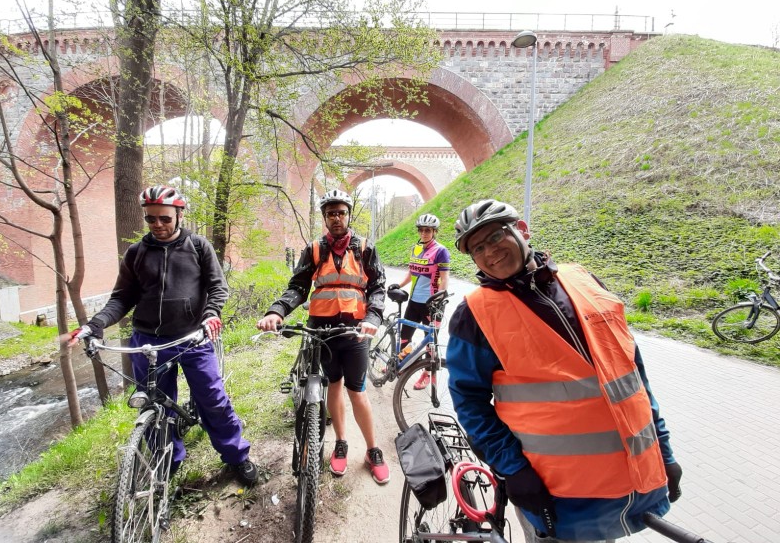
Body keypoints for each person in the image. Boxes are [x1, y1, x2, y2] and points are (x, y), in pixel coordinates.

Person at [447, 199, 682, 543]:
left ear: (522, 230)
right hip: (557, 493)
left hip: (629, 479)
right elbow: (469, 402)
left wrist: (664, 449)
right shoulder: (475, 314)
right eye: (477, 248)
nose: (489, 252)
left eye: (496, 237)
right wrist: (513, 471)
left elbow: (632, 373)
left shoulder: (584, 281)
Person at [69, 185, 257, 487]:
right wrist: (96, 324)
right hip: (147, 343)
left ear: (179, 215)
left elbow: (217, 287)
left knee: (213, 399)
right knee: (154, 404)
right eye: (151, 219)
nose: (158, 225)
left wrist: (211, 314)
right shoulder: (136, 253)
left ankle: (236, 456)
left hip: (192, 339)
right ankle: (168, 459)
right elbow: (121, 298)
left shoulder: (198, 246)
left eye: (165, 219)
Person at [256, 189, 390, 484]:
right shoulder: (314, 249)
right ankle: (341, 443)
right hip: (321, 329)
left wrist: (372, 318)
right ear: (325, 217)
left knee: (357, 390)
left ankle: (372, 449)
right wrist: (276, 311)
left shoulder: (365, 247)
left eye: (341, 212)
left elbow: (378, 287)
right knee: (334, 385)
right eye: (331, 213)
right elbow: (298, 287)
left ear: (348, 215)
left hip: (356, 329)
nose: (337, 218)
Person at [391, 213, 450, 390]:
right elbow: (412, 273)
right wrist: (398, 284)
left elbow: (445, 278)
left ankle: (427, 375)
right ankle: (402, 364)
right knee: (405, 337)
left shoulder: (441, 251)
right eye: (421, 230)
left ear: (434, 231)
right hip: (414, 301)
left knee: (430, 342)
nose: (424, 233)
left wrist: (439, 298)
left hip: (432, 303)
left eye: (428, 230)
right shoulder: (416, 248)